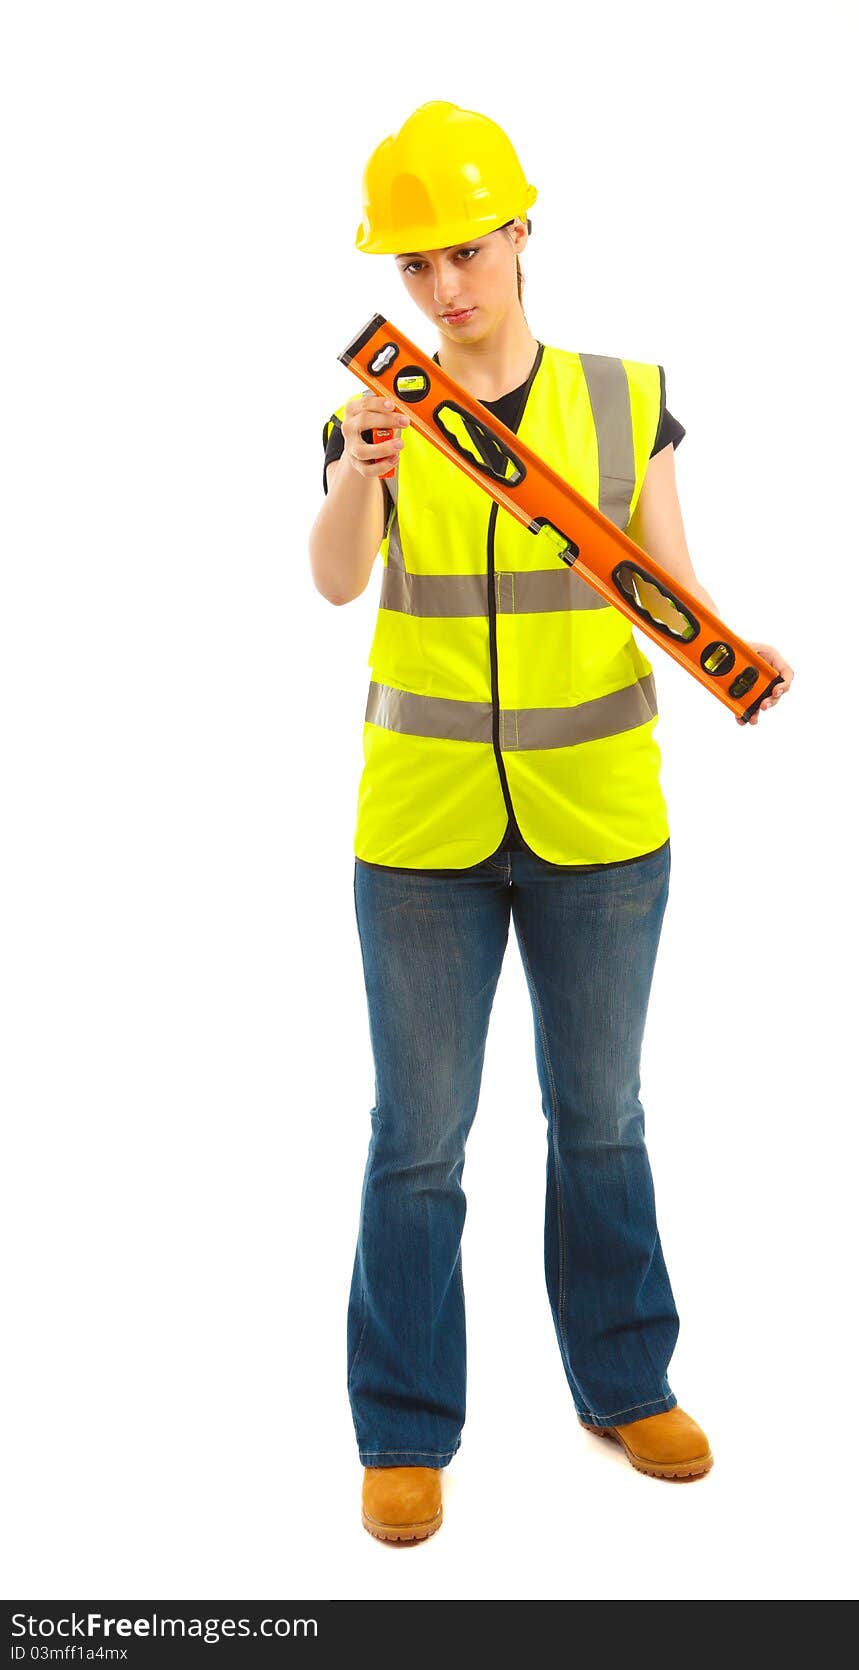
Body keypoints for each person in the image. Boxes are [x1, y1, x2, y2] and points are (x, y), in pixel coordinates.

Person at [309, 101, 793, 1545]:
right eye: (416, 266)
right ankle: (403, 1427)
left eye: (465, 249)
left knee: (602, 1122)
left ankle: (627, 1380)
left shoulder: (624, 394)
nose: (446, 287)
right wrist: (355, 475)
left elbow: (673, 588)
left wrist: (737, 662)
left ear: (523, 231)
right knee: (418, 1138)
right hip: (422, 838)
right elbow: (337, 585)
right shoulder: (375, 406)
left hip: (599, 824)